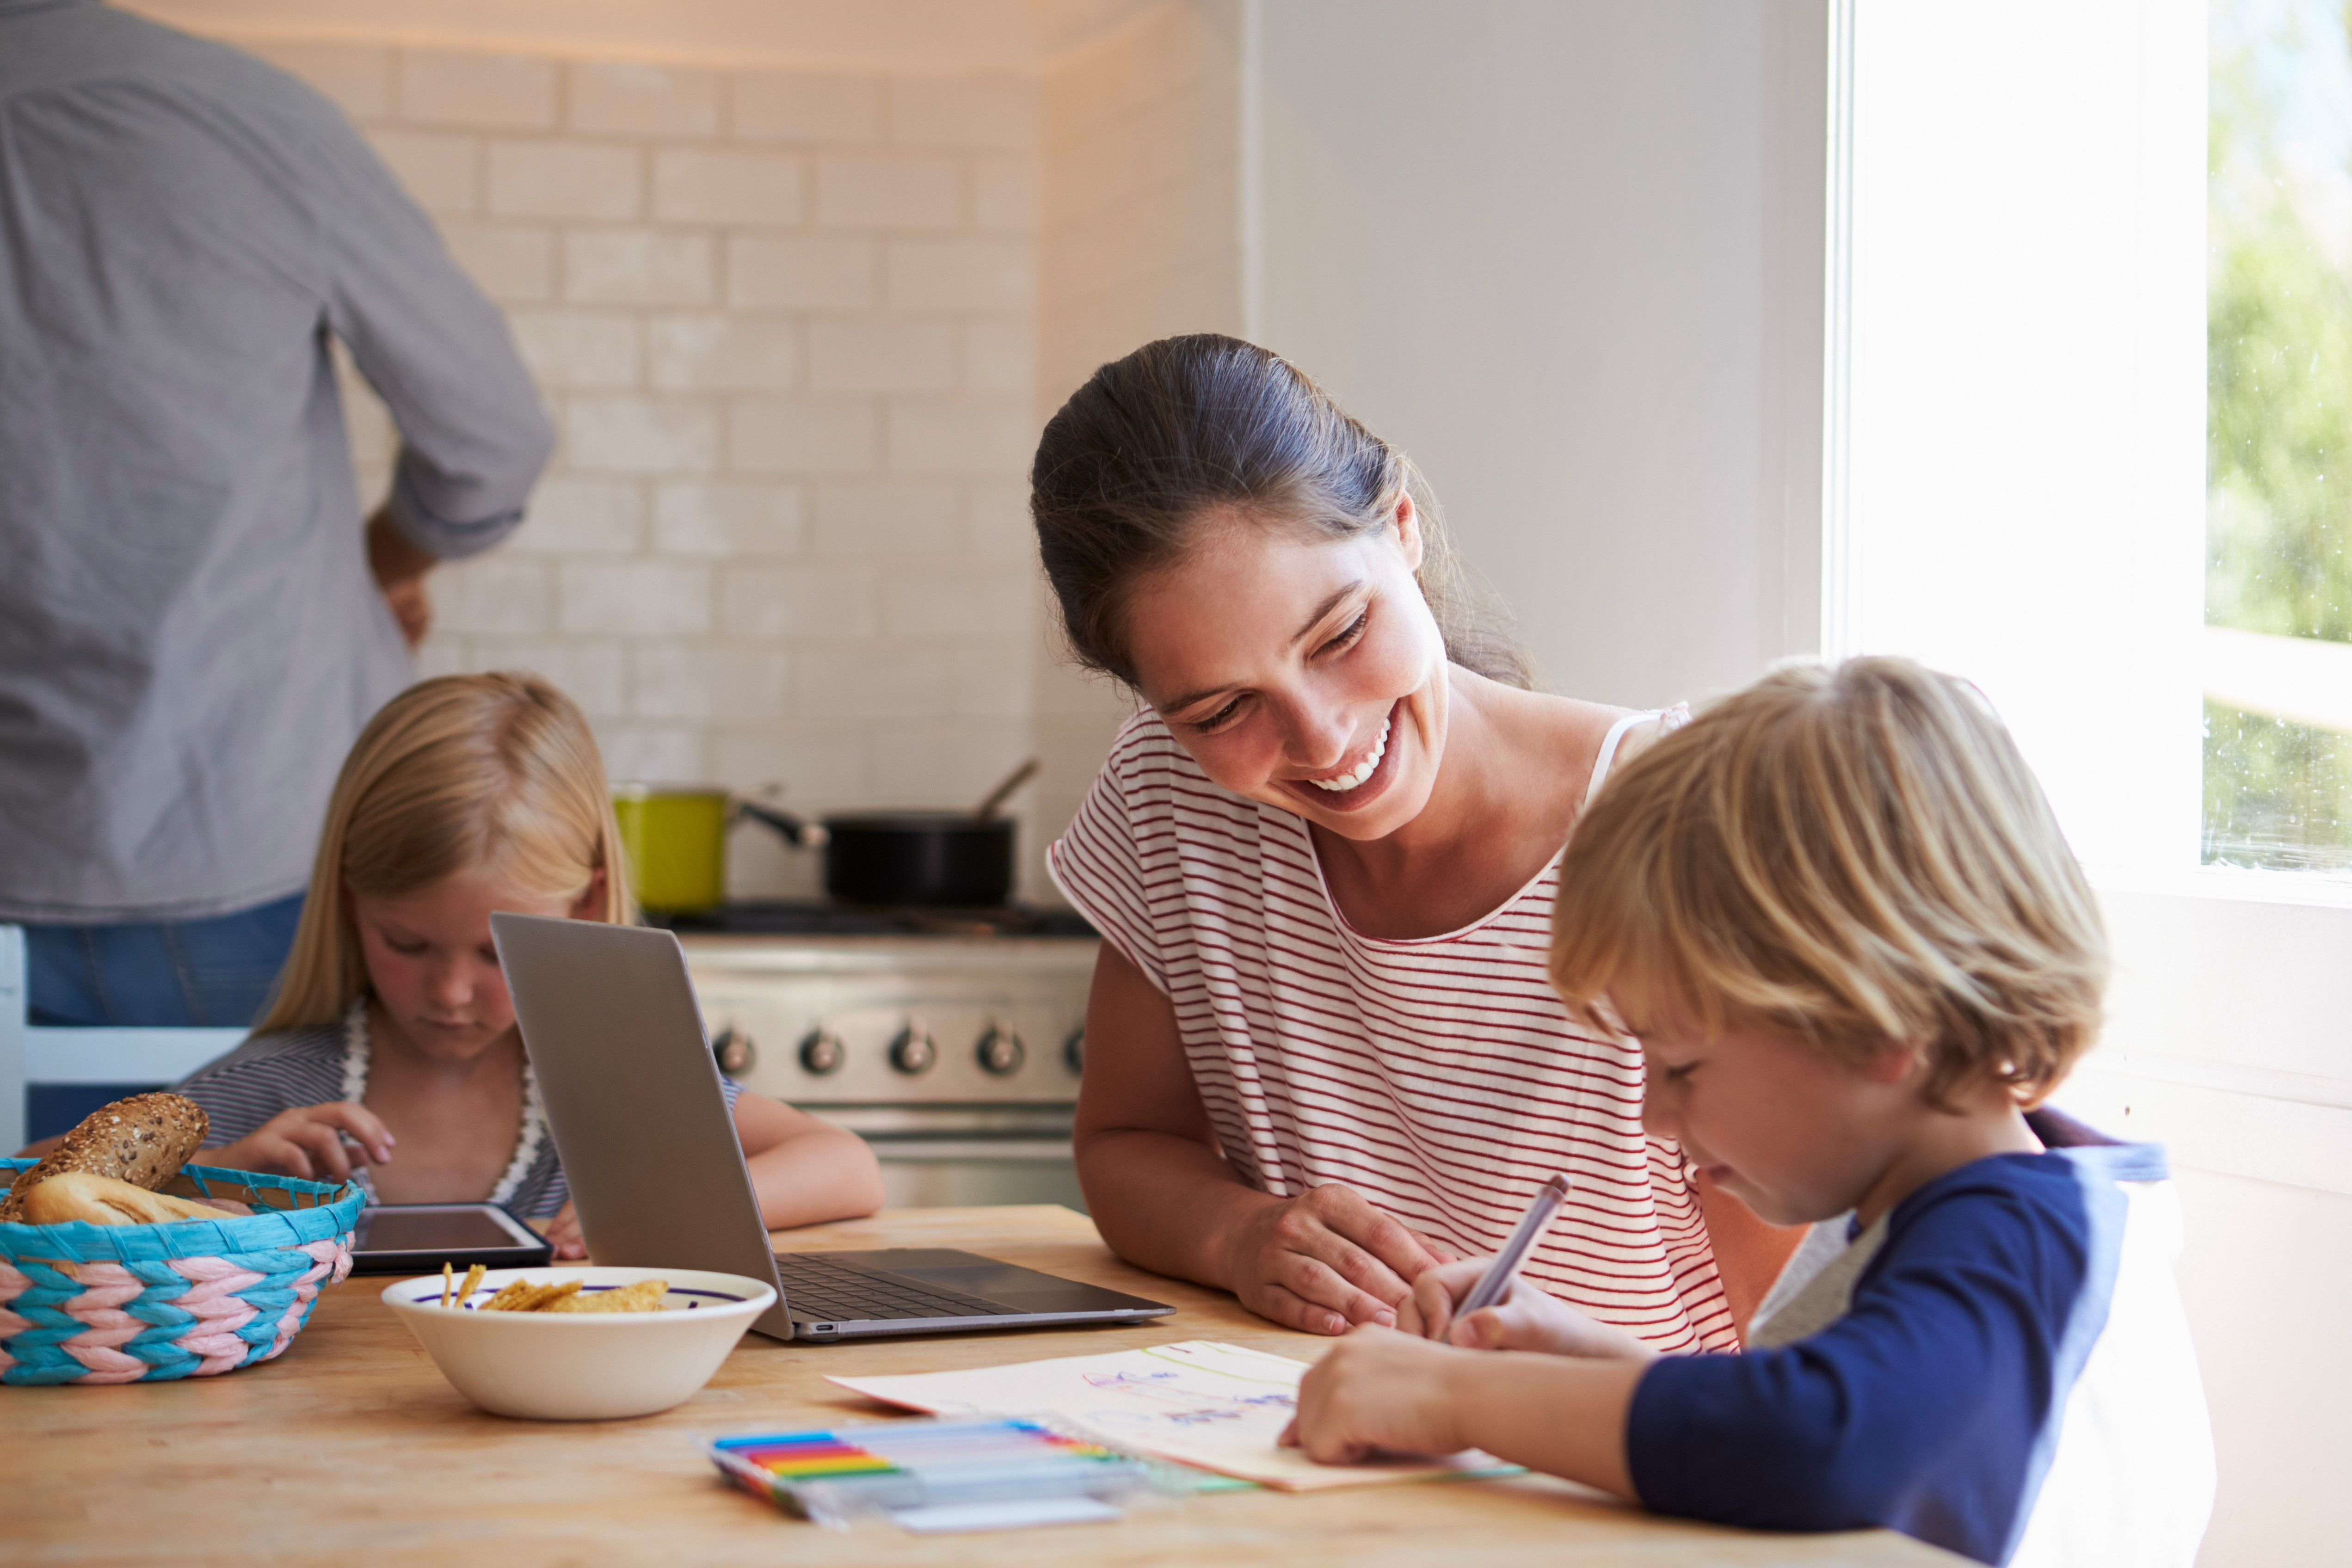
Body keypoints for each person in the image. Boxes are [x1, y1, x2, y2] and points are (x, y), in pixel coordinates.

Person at [1284, 658, 2216, 1567]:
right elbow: (1790, 1397)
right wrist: (1565, 1353)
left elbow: (1814, 1439)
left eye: (1681, 1066)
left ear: (1876, 1023)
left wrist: (1457, 1402)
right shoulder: (1980, 1205)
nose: (1650, 1111)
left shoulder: (2010, 1240)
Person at [1037, 334, 1800, 1349]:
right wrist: (1241, 1236)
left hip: (1637, 1471)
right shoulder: (1168, 799)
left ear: (1402, 531)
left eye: (1340, 634)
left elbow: (1805, 1354)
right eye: (1221, 709)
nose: (1319, 738)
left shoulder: (1695, 827)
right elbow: (1127, 1142)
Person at [0, 0, 555, 1028]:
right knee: (298, 1191)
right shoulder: (242, 116)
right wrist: (383, 564)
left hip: (32, 863)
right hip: (262, 855)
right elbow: (493, 441)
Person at [169, 674, 885, 1255]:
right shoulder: (280, 1092)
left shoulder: (616, 1087)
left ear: (586, 904)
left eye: (496, 952)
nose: (450, 993)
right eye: (408, 944)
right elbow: (58, 1180)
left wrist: (676, 1209)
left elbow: (846, 1166)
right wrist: (214, 1173)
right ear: (350, 904)